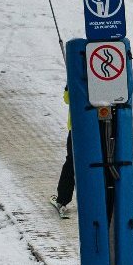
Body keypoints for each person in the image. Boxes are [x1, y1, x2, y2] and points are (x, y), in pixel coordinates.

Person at [50, 89, 73, 219]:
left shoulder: (76, 72)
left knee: (71, 163)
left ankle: (63, 199)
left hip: (78, 128)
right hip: (102, 126)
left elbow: (67, 98)